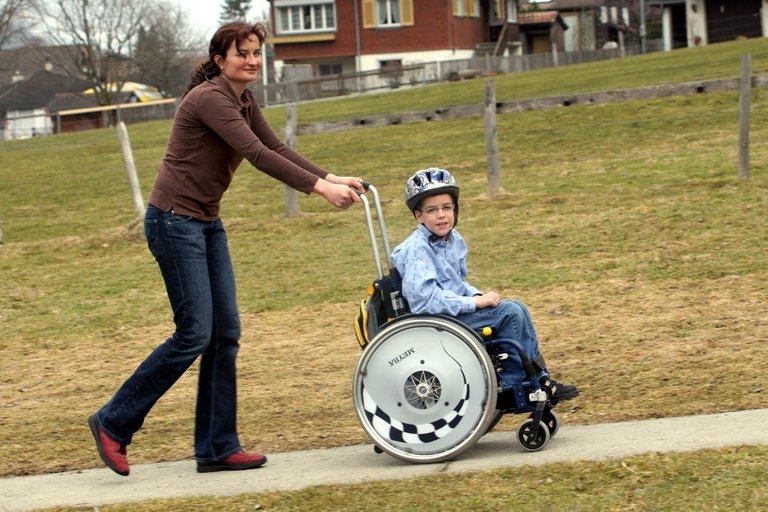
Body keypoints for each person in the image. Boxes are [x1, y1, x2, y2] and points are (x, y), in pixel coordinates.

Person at [88, 21, 364, 477]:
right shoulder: (210, 98)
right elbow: (256, 154)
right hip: (174, 222)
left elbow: (275, 145)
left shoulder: (243, 98)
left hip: (204, 223)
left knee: (225, 332)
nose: (252, 60)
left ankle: (216, 445)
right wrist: (318, 189)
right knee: (194, 333)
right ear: (220, 60)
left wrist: (331, 177)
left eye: (257, 52)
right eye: (243, 53)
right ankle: (113, 421)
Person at [390, 167, 578, 406]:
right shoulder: (418, 250)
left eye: (447, 208)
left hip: (451, 312)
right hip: (435, 321)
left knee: (514, 307)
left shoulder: (453, 240)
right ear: (419, 216)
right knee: (510, 313)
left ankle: (538, 378)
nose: (441, 215)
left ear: (455, 209)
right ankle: (512, 384)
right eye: (432, 210)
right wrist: (473, 303)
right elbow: (424, 301)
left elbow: (456, 283)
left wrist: (475, 294)